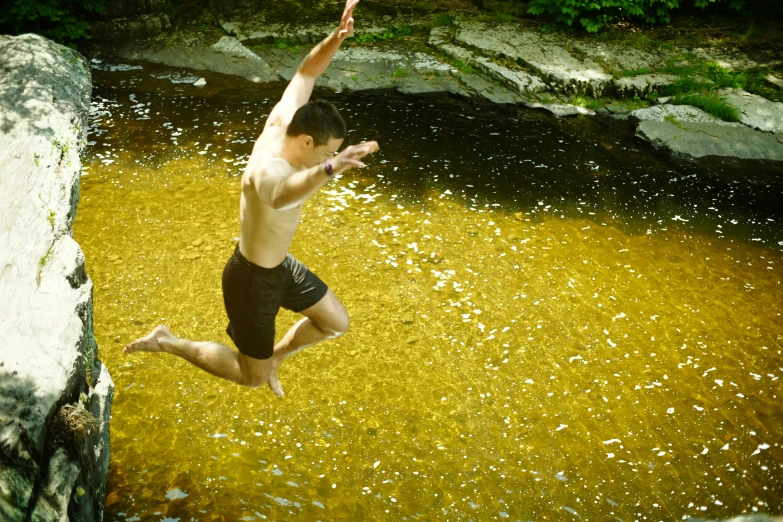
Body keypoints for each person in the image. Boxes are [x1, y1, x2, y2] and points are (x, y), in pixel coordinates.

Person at [124, 0, 379, 397]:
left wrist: (337, 36)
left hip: (281, 267)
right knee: (251, 377)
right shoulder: (269, 170)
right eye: (326, 151)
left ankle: (273, 356)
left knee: (335, 323)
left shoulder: (287, 118)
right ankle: (168, 341)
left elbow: (306, 71)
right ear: (307, 141)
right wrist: (333, 168)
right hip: (251, 279)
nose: (327, 157)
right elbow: (280, 197)